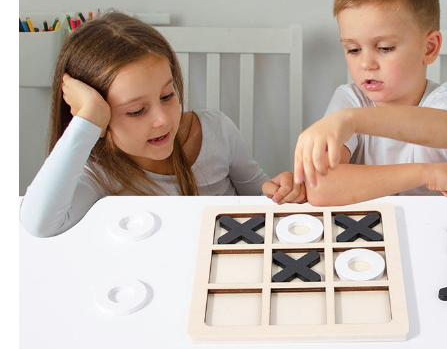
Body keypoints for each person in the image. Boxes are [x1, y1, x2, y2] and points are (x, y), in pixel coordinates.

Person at [20, 12, 268, 237]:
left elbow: (261, 199)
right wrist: (87, 119)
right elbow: (40, 224)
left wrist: (283, 192)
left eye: (167, 96)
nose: (162, 120)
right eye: (136, 111)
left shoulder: (217, 132)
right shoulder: (99, 174)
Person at [264, 0, 447, 206]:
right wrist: (424, 173)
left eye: (385, 48)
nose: (366, 63)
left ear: (429, 48)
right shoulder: (349, 100)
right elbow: (320, 187)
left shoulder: (444, 100)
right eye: (353, 49)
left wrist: (352, 121)